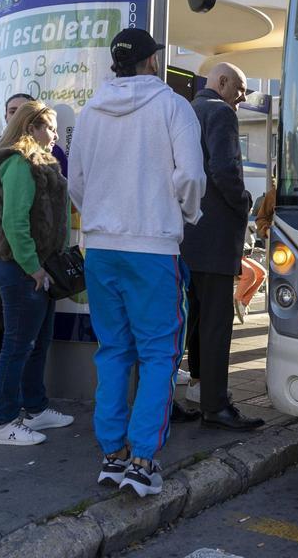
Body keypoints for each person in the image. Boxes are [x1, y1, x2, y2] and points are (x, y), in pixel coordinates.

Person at [68, 28, 205, 498]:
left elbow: (76, 180)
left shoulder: (90, 111)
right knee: (159, 354)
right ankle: (143, 460)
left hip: (101, 247)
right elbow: (191, 175)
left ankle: (113, 454)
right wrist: (185, 214)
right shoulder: (173, 106)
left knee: (112, 350)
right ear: (151, 61)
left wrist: (100, 217)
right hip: (152, 247)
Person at [0, 93, 67, 416]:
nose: (56, 135)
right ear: (31, 127)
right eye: (50, 128)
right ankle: (4, 418)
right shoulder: (18, 161)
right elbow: (15, 221)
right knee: (16, 343)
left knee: (35, 342)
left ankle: (35, 408)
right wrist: (33, 266)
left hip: (35, 263)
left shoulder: (42, 157)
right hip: (16, 263)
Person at [180, 63, 265, 432]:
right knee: (216, 323)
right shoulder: (221, 113)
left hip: (186, 235)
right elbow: (224, 170)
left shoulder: (187, 111)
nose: (242, 97)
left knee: (192, 319)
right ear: (223, 82)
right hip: (215, 236)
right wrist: (244, 202)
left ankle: (194, 387)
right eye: (241, 89)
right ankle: (215, 405)